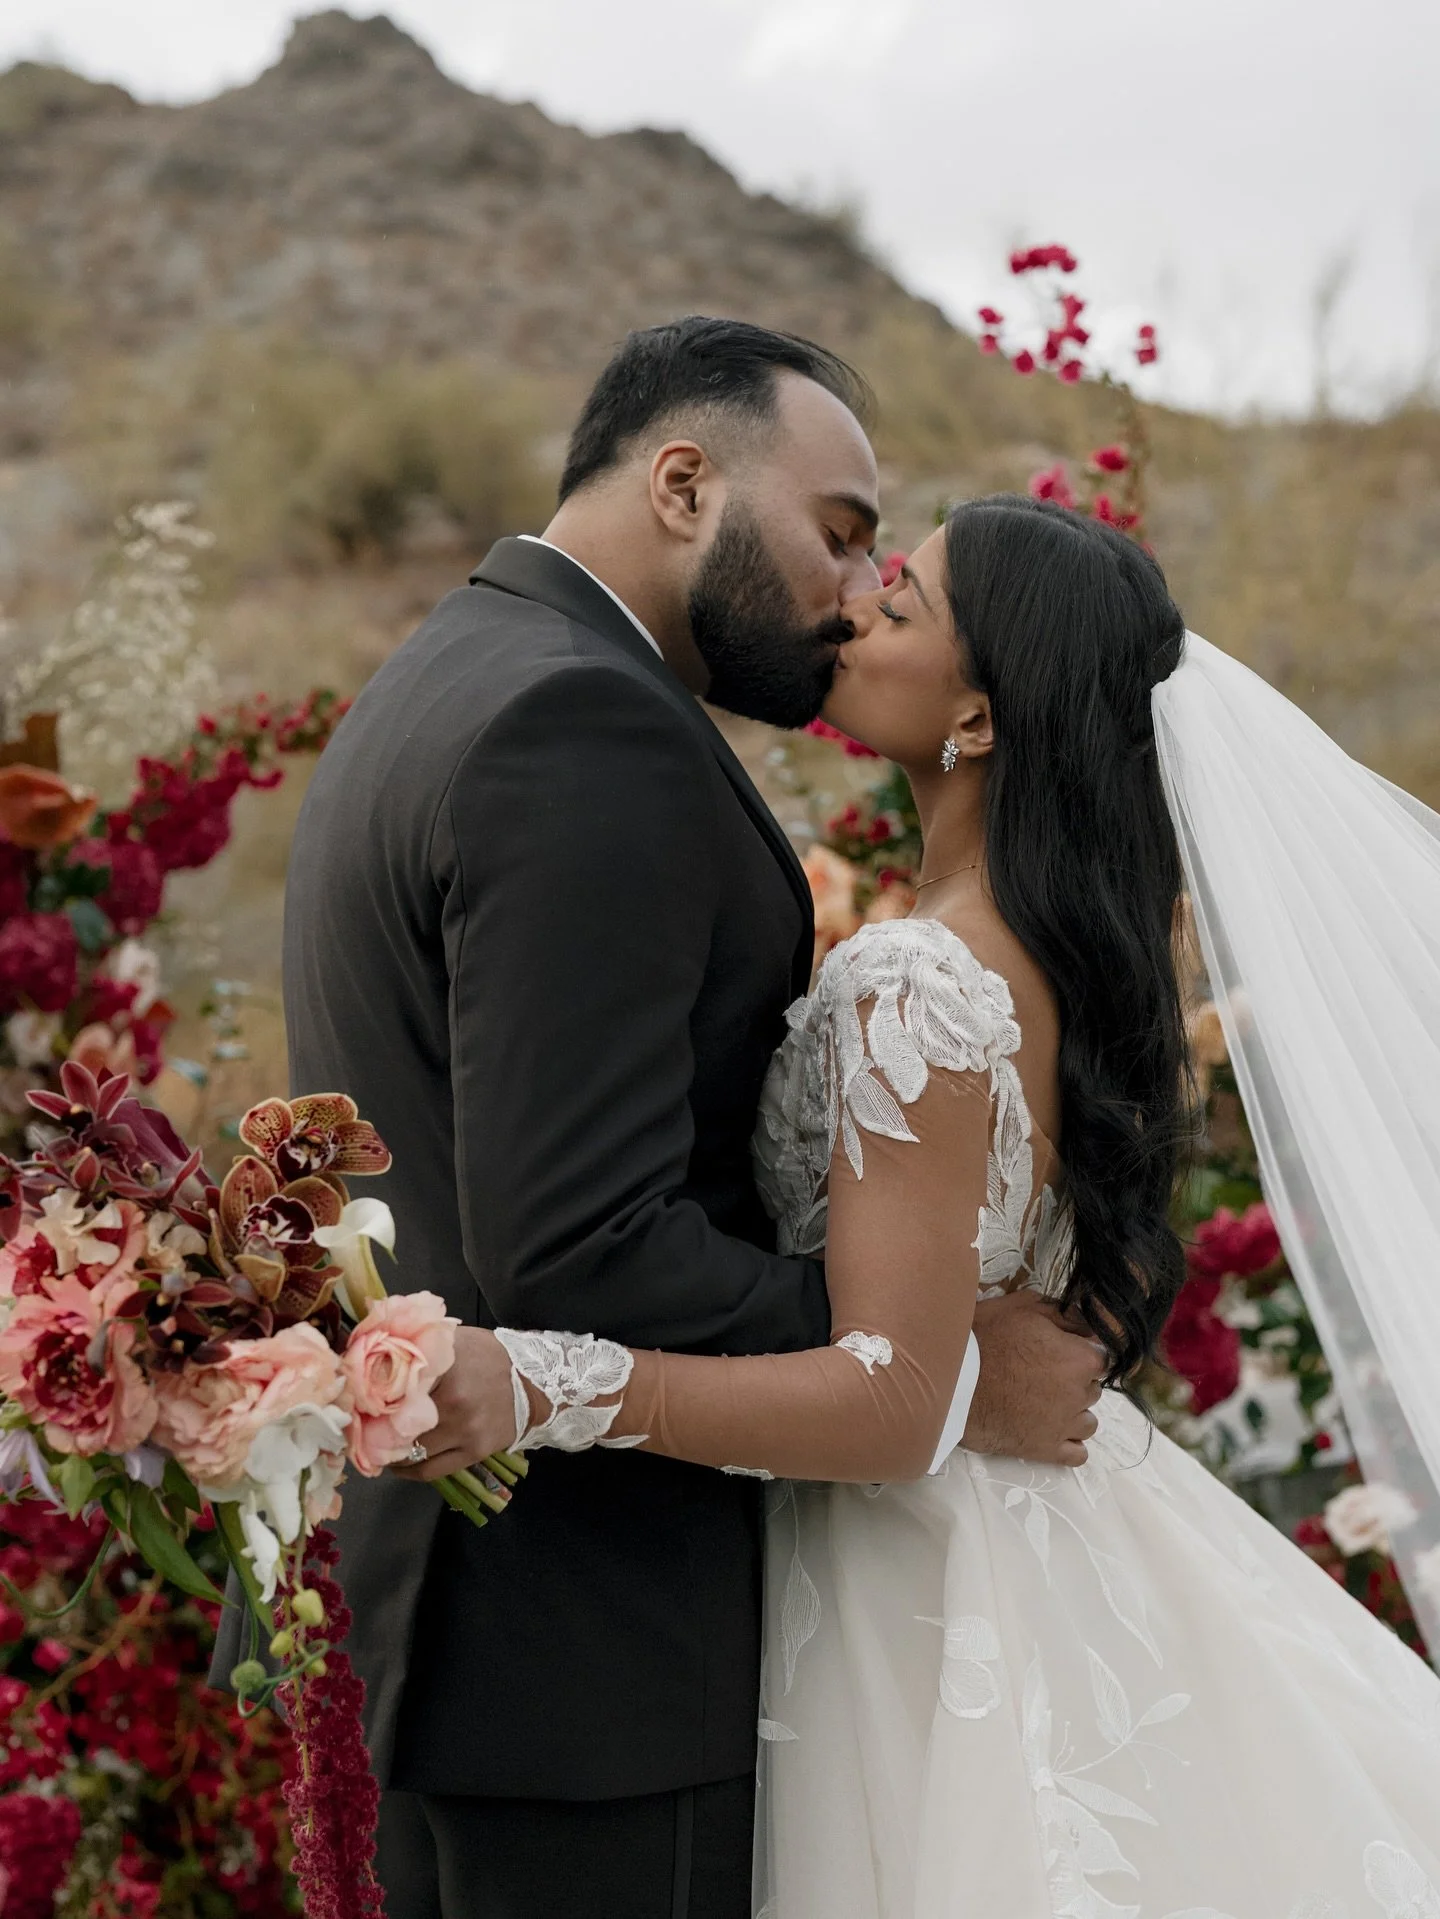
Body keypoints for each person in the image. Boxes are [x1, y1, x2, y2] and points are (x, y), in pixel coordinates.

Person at [421, 498, 1440, 1915]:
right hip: (1026, 1530)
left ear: (980, 711)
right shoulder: (1047, 954)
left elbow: (890, 1402)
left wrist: (528, 1381)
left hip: (936, 1584)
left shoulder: (921, 978)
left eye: (897, 604)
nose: (849, 609)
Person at [211, 321, 1104, 1919]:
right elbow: (584, 1241)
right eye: (840, 532)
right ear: (684, 481)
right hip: (583, 1656)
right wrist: (936, 1353)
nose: (854, 586)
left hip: (455, 1628)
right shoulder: (589, 729)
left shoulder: (444, 676)